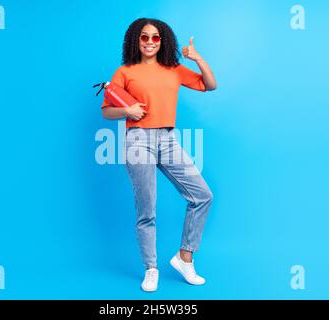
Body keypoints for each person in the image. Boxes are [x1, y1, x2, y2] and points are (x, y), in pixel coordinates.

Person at [101, 18, 217, 292]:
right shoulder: (125, 72)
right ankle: (150, 268)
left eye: (155, 37)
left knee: (202, 195)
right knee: (147, 209)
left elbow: (210, 85)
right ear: (135, 41)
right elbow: (106, 112)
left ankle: (184, 258)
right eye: (144, 37)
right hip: (137, 139)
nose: (150, 42)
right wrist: (127, 112)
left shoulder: (173, 69)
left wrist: (198, 59)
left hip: (167, 138)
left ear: (162, 41)